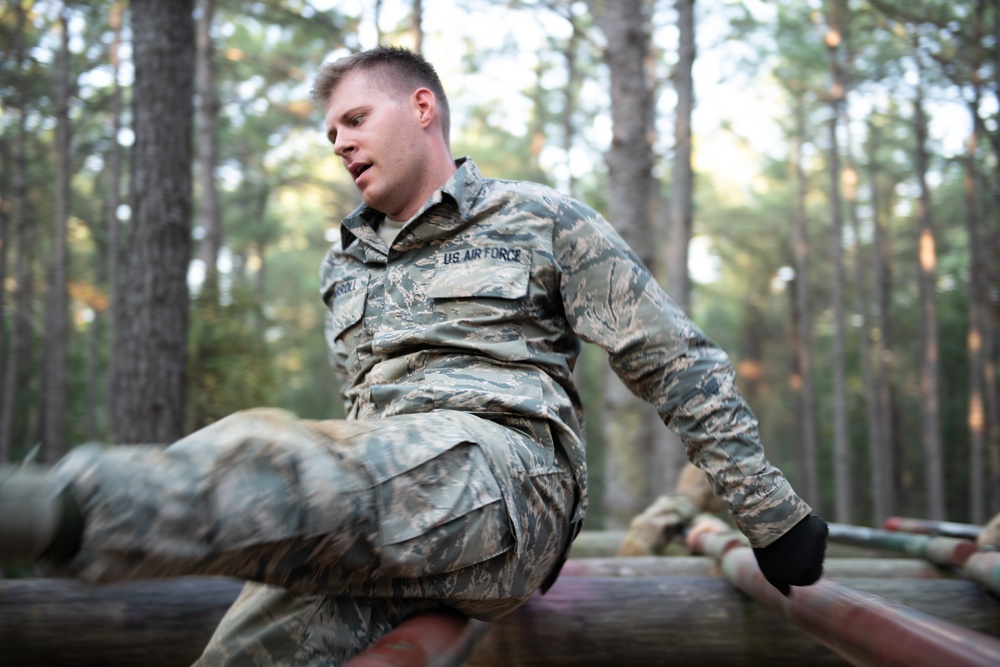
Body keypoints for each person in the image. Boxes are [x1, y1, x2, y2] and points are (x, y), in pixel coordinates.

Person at [0, 45, 827, 664]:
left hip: (505, 481)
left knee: (284, 461)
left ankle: (40, 507)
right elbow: (365, 426)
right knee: (242, 654)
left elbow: (673, 358)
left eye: (355, 119)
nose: (339, 142)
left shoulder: (540, 217)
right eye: (330, 132)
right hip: (390, 505)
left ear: (422, 107)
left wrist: (769, 512)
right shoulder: (344, 266)